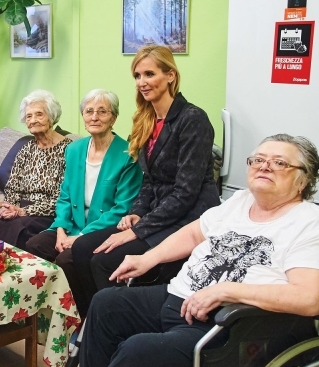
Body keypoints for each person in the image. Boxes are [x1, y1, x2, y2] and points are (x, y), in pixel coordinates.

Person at [25, 134, 319, 367]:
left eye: (279, 163)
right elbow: (193, 235)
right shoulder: (241, 201)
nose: (264, 166)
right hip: (179, 299)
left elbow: (309, 298)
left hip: (230, 327)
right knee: (106, 304)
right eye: (258, 159)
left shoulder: (312, 223)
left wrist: (226, 291)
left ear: (304, 178)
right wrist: (147, 258)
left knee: (139, 350)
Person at [70, 45, 220, 311]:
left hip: (188, 218)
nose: (142, 82)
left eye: (149, 74)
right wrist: (136, 213)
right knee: (82, 247)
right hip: (156, 214)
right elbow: (149, 181)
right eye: (137, 76)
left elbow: (185, 192)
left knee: (104, 260)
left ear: (171, 75)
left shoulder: (192, 119)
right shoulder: (146, 118)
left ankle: (118, 324)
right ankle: (89, 321)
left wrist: (139, 229)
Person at [24, 89, 142, 316]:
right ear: (83, 116)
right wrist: (60, 229)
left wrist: (79, 237)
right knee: (35, 246)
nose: (94, 117)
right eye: (89, 111)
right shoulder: (74, 149)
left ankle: (81, 315)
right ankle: (49, 313)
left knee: (67, 258)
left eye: (102, 112)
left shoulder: (128, 154)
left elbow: (122, 208)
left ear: (114, 118)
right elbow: (65, 196)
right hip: (72, 226)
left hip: (101, 229)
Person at [0, 90, 72, 250]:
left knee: (20, 228)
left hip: (49, 211)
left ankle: (23, 270)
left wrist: (22, 211)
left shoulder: (69, 150)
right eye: (29, 116)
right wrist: (10, 207)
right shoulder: (26, 149)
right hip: (21, 206)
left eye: (39, 114)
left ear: (51, 116)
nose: (33, 120)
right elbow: (12, 186)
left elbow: (64, 197)